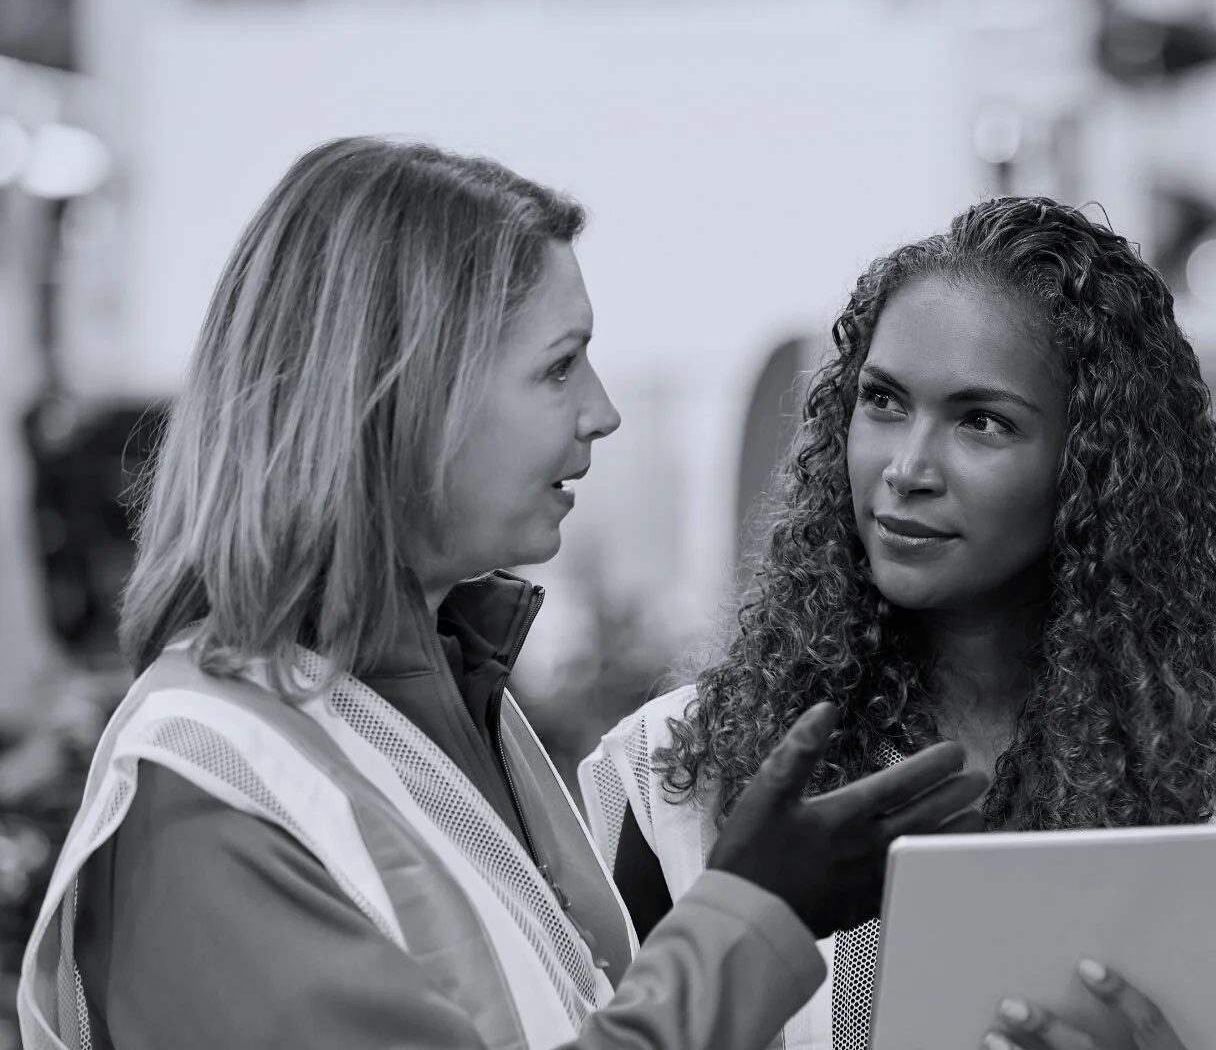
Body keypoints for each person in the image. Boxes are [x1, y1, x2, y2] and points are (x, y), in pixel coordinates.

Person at [19, 136, 989, 1050]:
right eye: (559, 366)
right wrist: (753, 917)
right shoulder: (210, 783)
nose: (603, 412)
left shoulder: (433, 698)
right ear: (400, 398)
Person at [580, 196, 1216, 1050]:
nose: (908, 468)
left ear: (1096, 468)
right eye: (883, 401)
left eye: (982, 422)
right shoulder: (679, 774)